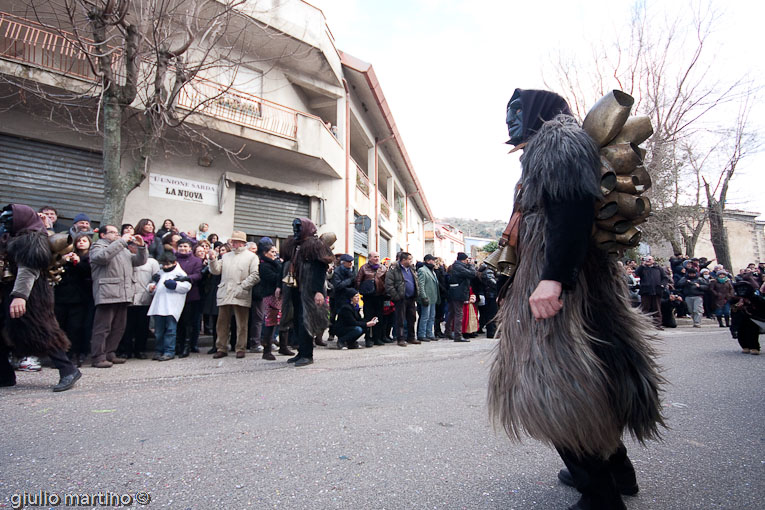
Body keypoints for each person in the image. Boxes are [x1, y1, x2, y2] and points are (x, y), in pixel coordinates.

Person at [487, 89, 664, 510]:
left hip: (567, 292)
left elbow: (572, 210)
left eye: (516, 112)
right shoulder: (562, 142)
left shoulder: (556, 140)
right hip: (589, 290)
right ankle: (619, 474)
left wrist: (553, 280)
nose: (510, 121)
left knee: (555, 386)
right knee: (599, 379)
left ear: (537, 113)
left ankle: (599, 494)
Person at [0, 204, 82, 392]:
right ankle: (4, 375)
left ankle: (68, 370)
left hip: (31, 294)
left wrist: (20, 296)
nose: (5, 222)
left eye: (9, 218)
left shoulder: (31, 239)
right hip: (10, 292)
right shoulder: (13, 237)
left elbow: (28, 270)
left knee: (41, 330)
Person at [89, 224, 147, 368]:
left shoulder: (122, 249)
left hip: (123, 293)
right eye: (112, 232)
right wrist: (121, 241)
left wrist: (141, 247)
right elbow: (102, 258)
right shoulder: (98, 247)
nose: (117, 235)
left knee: (119, 327)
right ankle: (98, 356)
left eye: (117, 232)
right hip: (107, 293)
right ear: (103, 235)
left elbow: (139, 261)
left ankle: (110, 353)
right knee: (102, 327)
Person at [280, 218, 334, 367]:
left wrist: (318, 291)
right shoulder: (292, 245)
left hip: (309, 290)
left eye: (298, 228)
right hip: (294, 288)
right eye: (294, 228)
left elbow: (319, 270)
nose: (296, 231)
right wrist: (279, 286)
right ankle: (300, 352)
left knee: (306, 321)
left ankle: (307, 354)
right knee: (296, 321)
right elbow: (284, 264)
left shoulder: (315, 246)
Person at [210, 231, 260, 359]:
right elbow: (216, 271)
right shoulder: (226, 256)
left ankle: (240, 348)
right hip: (225, 292)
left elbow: (255, 275)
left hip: (241, 293)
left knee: (242, 324)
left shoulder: (251, 257)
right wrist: (212, 260)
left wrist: (242, 287)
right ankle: (221, 347)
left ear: (242, 243)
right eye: (232, 241)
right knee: (221, 323)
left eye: (235, 241)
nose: (233, 243)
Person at [54, 232, 95, 366]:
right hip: (62, 297)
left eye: (84, 240)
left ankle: (74, 354)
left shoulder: (89, 258)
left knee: (75, 328)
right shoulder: (64, 256)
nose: (81, 243)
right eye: (78, 241)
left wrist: (77, 262)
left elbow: (88, 272)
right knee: (61, 326)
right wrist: (63, 260)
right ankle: (60, 355)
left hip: (80, 298)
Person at [118, 240, 159, 359]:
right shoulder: (125, 260)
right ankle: (126, 350)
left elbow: (156, 277)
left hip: (144, 298)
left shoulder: (152, 262)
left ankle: (140, 350)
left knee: (142, 327)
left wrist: (152, 288)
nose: (134, 248)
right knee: (126, 327)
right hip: (128, 298)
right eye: (132, 246)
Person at [148, 252, 192, 361]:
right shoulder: (160, 273)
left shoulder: (179, 273)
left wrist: (176, 285)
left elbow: (187, 286)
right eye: (164, 265)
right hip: (159, 306)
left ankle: (169, 351)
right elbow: (152, 287)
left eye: (168, 264)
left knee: (170, 331)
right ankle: (159, 351)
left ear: (174, 263)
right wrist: (150, 287)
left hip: (171, 306)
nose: (166, 267)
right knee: (158, 331)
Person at [256, 238, 287, 359]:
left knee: (283, 321)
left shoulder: (276, 263)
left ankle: (283, 346)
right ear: (265, 253)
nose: (275, 254)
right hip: (270, 296)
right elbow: (274, 278)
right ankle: (267, 350)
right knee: (271, 322)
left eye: (275, 252)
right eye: (272, 252)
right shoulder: (264, 265)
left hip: (280, 296)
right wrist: (279, 266)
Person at [175, 239, 204, 356]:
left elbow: (198, 274)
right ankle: (177, 345)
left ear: (190, 248)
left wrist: (187, 278)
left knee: (188, 322)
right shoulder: (174, 260)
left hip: (190, 295)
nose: (183, 248)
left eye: (185, 246)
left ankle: (187, 346)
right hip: (175, 294)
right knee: (178, 322)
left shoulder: (196, 261)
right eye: (180, 246)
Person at [385, 252, 419, 347]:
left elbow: (416, 281)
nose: (411, 261)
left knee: (412, 318)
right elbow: (389, 285)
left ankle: (411, 337)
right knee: (400, 319)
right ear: (403, 260)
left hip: (411, 298)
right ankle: (400, 338)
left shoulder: (412, 269)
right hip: (401, 298)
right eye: (409, 259)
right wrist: (396, 296)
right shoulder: (394, 270)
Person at [355, 251, 388, 346]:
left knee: (379, 318)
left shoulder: (383, 268)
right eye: (374, 257)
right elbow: (358, 280)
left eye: (378, 256)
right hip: (368, 297)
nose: (377, 258)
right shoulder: (364, 268)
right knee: (368, 317)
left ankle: (377, 338)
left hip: (379, 296)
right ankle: (368, 338)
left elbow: (386, 281)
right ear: (369, 258)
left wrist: (385, 293)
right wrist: (360, 292)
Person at [445, 253, 476, 342]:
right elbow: (472, 274)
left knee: (451, 313)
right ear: (463, 260)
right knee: (459, 314)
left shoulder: (456, 266)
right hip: (458, 293)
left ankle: (448, 332)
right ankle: (458, 335)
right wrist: (471, 265)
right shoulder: (459, 267)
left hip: (454, 292)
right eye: (467, 260)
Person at [635, 256, 669, 329]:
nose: (648, 261)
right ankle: (644, 324)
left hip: (656, 291)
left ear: (653, 260)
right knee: (644, 308)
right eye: (647, 259)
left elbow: (665, 278)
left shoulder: (658, 268)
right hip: (646, 291)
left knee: (656, 308)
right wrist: (642, 265)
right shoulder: (643, 268)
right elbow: (637, 273)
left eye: (650, 259)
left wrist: (662, 285)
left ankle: (657, 324)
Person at [417, 254, 439, 341]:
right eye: (432, 260)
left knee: (431, 316)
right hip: (426, 297)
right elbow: (421, 285)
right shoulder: (422, 270)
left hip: (433, 297)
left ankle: (429, 333)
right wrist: (423, 296)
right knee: (425, 316)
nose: (434, 262)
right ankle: (422, 334)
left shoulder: (432, 271)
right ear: (428, 260)